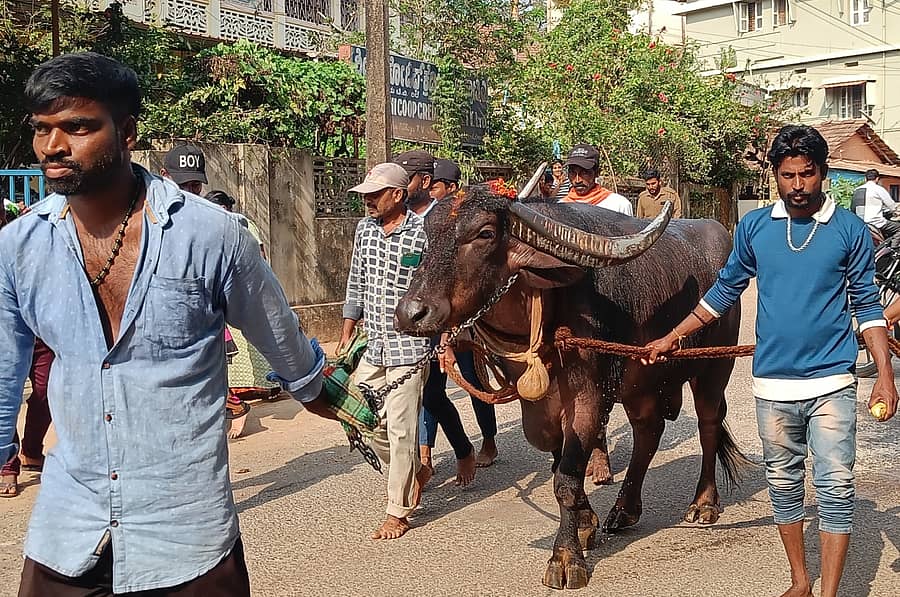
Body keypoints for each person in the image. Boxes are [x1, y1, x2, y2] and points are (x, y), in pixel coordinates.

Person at [1, 52, 335, 595]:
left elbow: (283, 342)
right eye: (43, 129)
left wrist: (332, 399)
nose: (53, 147)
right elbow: (3, 369)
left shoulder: (211, 236)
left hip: (187, 537)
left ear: (127, 132)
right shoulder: (19, 247)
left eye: (78, 127)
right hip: (67, 530)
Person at [642, 125, 898, 597]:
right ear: (774, 176)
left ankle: (829, 592)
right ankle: (800, 581)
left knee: (837, 488)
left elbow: (866, 305)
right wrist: (672, 337)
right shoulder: (756, 227)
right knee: (784, 487)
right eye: (787, 176)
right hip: (773, 387)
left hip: (833, 382)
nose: (797, 185)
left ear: (822, 173)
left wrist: (885, 375)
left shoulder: (849, 230)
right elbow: (723, 291)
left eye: (807, 174)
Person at [341, 162, 431, 540]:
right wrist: (348, 326)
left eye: (375, 194)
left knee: (401, 429)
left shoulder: (423, 234)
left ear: (398, 194)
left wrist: (442, 340)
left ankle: (398, 511)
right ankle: (411, 473)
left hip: (410, 347)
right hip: (373, 345)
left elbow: (436, 289)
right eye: (366, 195)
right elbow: (356, 280)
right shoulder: (365, 230)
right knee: (356, 414)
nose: (368, 201)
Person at [416, 158, 499, 484]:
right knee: (431, 387)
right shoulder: (430, 224)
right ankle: (426, 450)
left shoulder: (466, 223)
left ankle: (489, 438)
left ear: (451, 189)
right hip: (434, 319)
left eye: (435, 185)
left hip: (467, 320)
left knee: (473, 379)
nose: (430, 190)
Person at [559, 143, 633, 215]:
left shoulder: (618, 205)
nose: (577, 180)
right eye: (572, 173)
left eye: (584, 173)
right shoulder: (560, 207)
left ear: (597, 173)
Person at [852, 168, 900, 240]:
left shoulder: (857, 190)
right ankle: (893, 249)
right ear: (877, 179)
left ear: (865, 179)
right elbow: (892, 206)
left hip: (859, 223)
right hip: (875, 222)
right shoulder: (878, 189)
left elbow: (853, 208)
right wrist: (896, 211)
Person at [394, 149, 437, 216]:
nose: (398, 187)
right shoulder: (390, 217)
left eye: (405, 181)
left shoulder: (443, 218)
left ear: (425, 181)